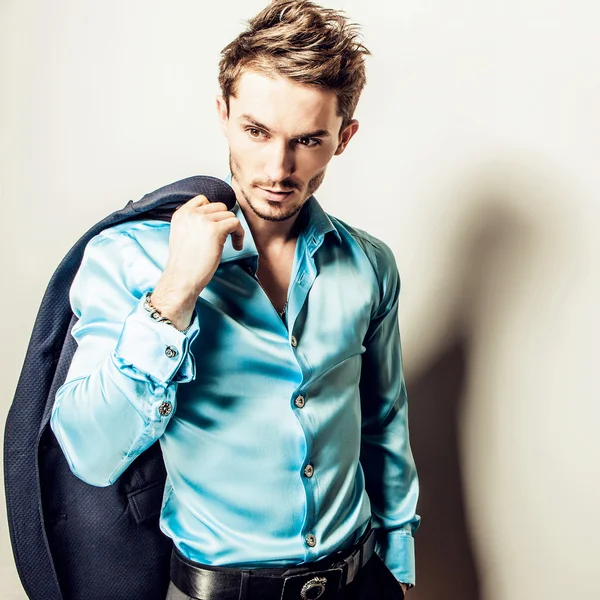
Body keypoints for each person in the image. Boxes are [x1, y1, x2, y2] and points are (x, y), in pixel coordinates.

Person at [50, 1, 420, 598]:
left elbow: (383, 421)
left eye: (307, 140)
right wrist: (175, 292)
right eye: (256, 131)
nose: (278, 167)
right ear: (223, 114)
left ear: (343, 138)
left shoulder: (368, 264)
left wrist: (398, 567)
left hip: (361, 580)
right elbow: (91, 454)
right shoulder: (130, 257)